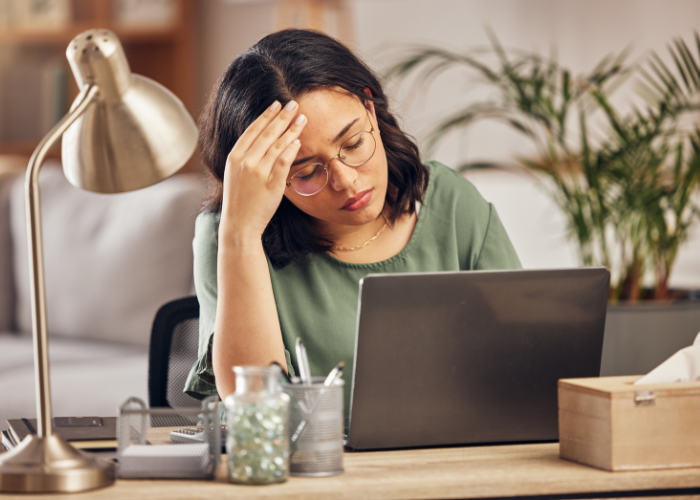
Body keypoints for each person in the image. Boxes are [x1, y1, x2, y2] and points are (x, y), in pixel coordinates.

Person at [184, 29, 521, 418]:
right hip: (312, 474)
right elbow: (259, 416)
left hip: (455, 463)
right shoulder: (229, 235)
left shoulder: (452, 201)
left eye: (354, 144)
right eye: (307, 172)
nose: (346, 180)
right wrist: (240, 236)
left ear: (371, 110)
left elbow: (521, 361)